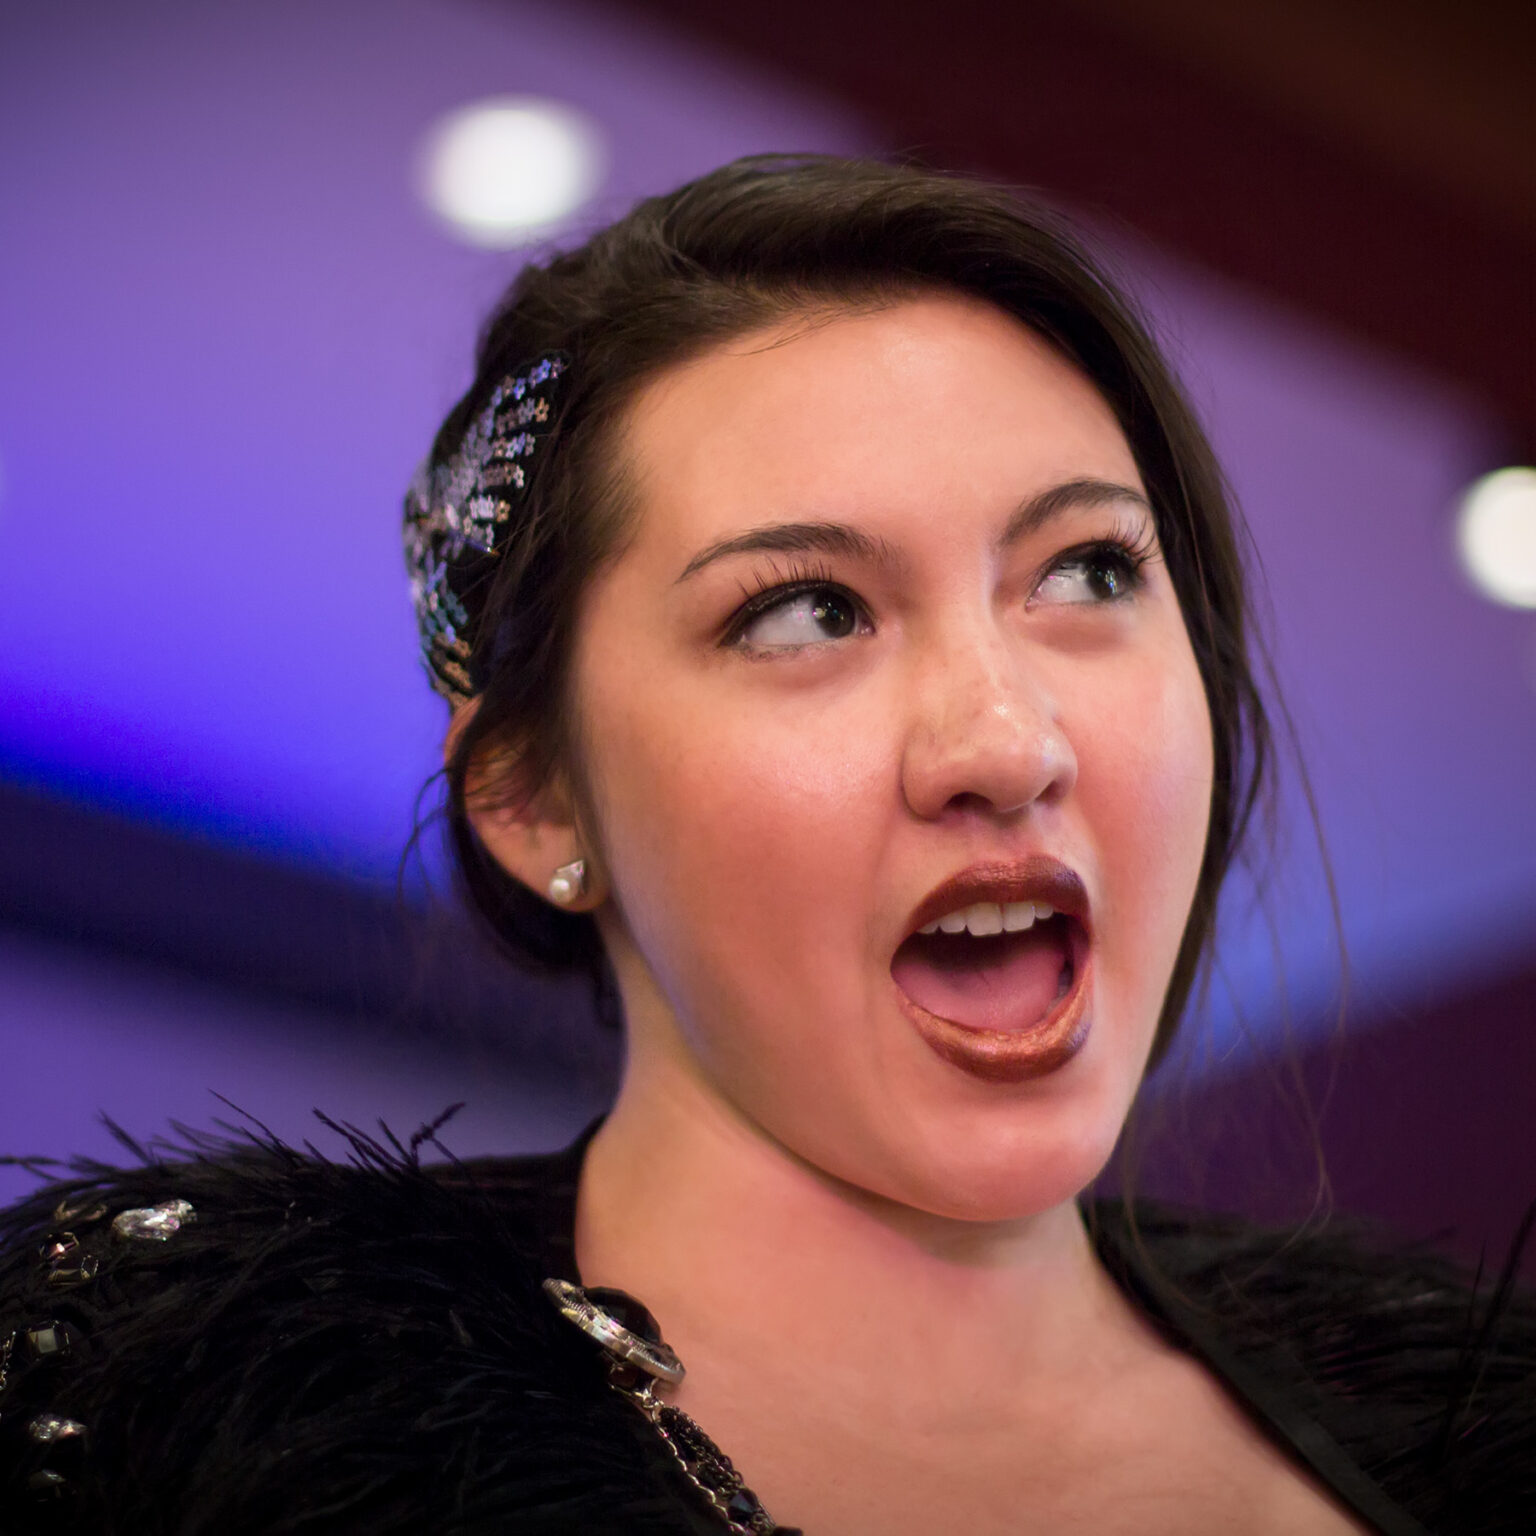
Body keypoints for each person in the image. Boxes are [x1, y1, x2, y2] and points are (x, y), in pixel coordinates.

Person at [0, 155, 1530, 1536]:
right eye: (807, 610)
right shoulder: (174, 1419)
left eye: (1086, 568)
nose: (1006, 741)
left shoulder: (1481, 1427)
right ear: (537, 802)